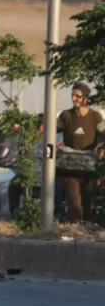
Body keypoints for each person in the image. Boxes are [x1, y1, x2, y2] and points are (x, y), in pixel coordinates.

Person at [57, 82, 103, 223]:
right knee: (74, 201)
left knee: (88, 202)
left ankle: (87, 232)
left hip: (89, 167)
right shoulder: (66, 115)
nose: (74, 99)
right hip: (70, 167)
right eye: (73, 95)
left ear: (85, 98)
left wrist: (101, 148)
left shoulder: (95, 117)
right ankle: (75, 231)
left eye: (78, 96)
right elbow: (52, 129)